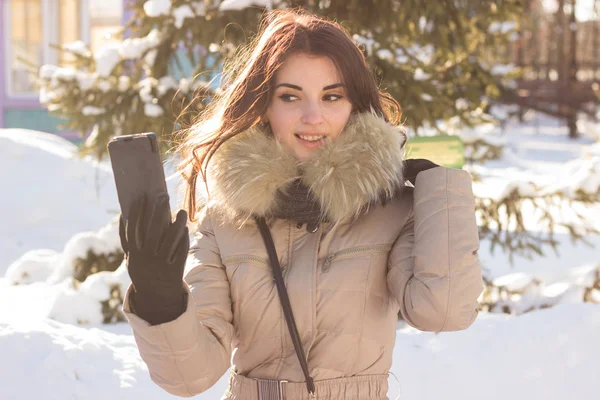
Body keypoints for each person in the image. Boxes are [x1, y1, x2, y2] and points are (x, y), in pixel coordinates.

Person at [118, 8, 484, 400]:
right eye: (290, 96)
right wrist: (161, 300)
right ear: (263, 106)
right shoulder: (225, 221)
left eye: (332, 96)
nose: (313, 117)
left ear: (354, 106)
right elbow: (189, 377)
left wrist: (441, 193)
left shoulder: (391, 210)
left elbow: (442, 311)